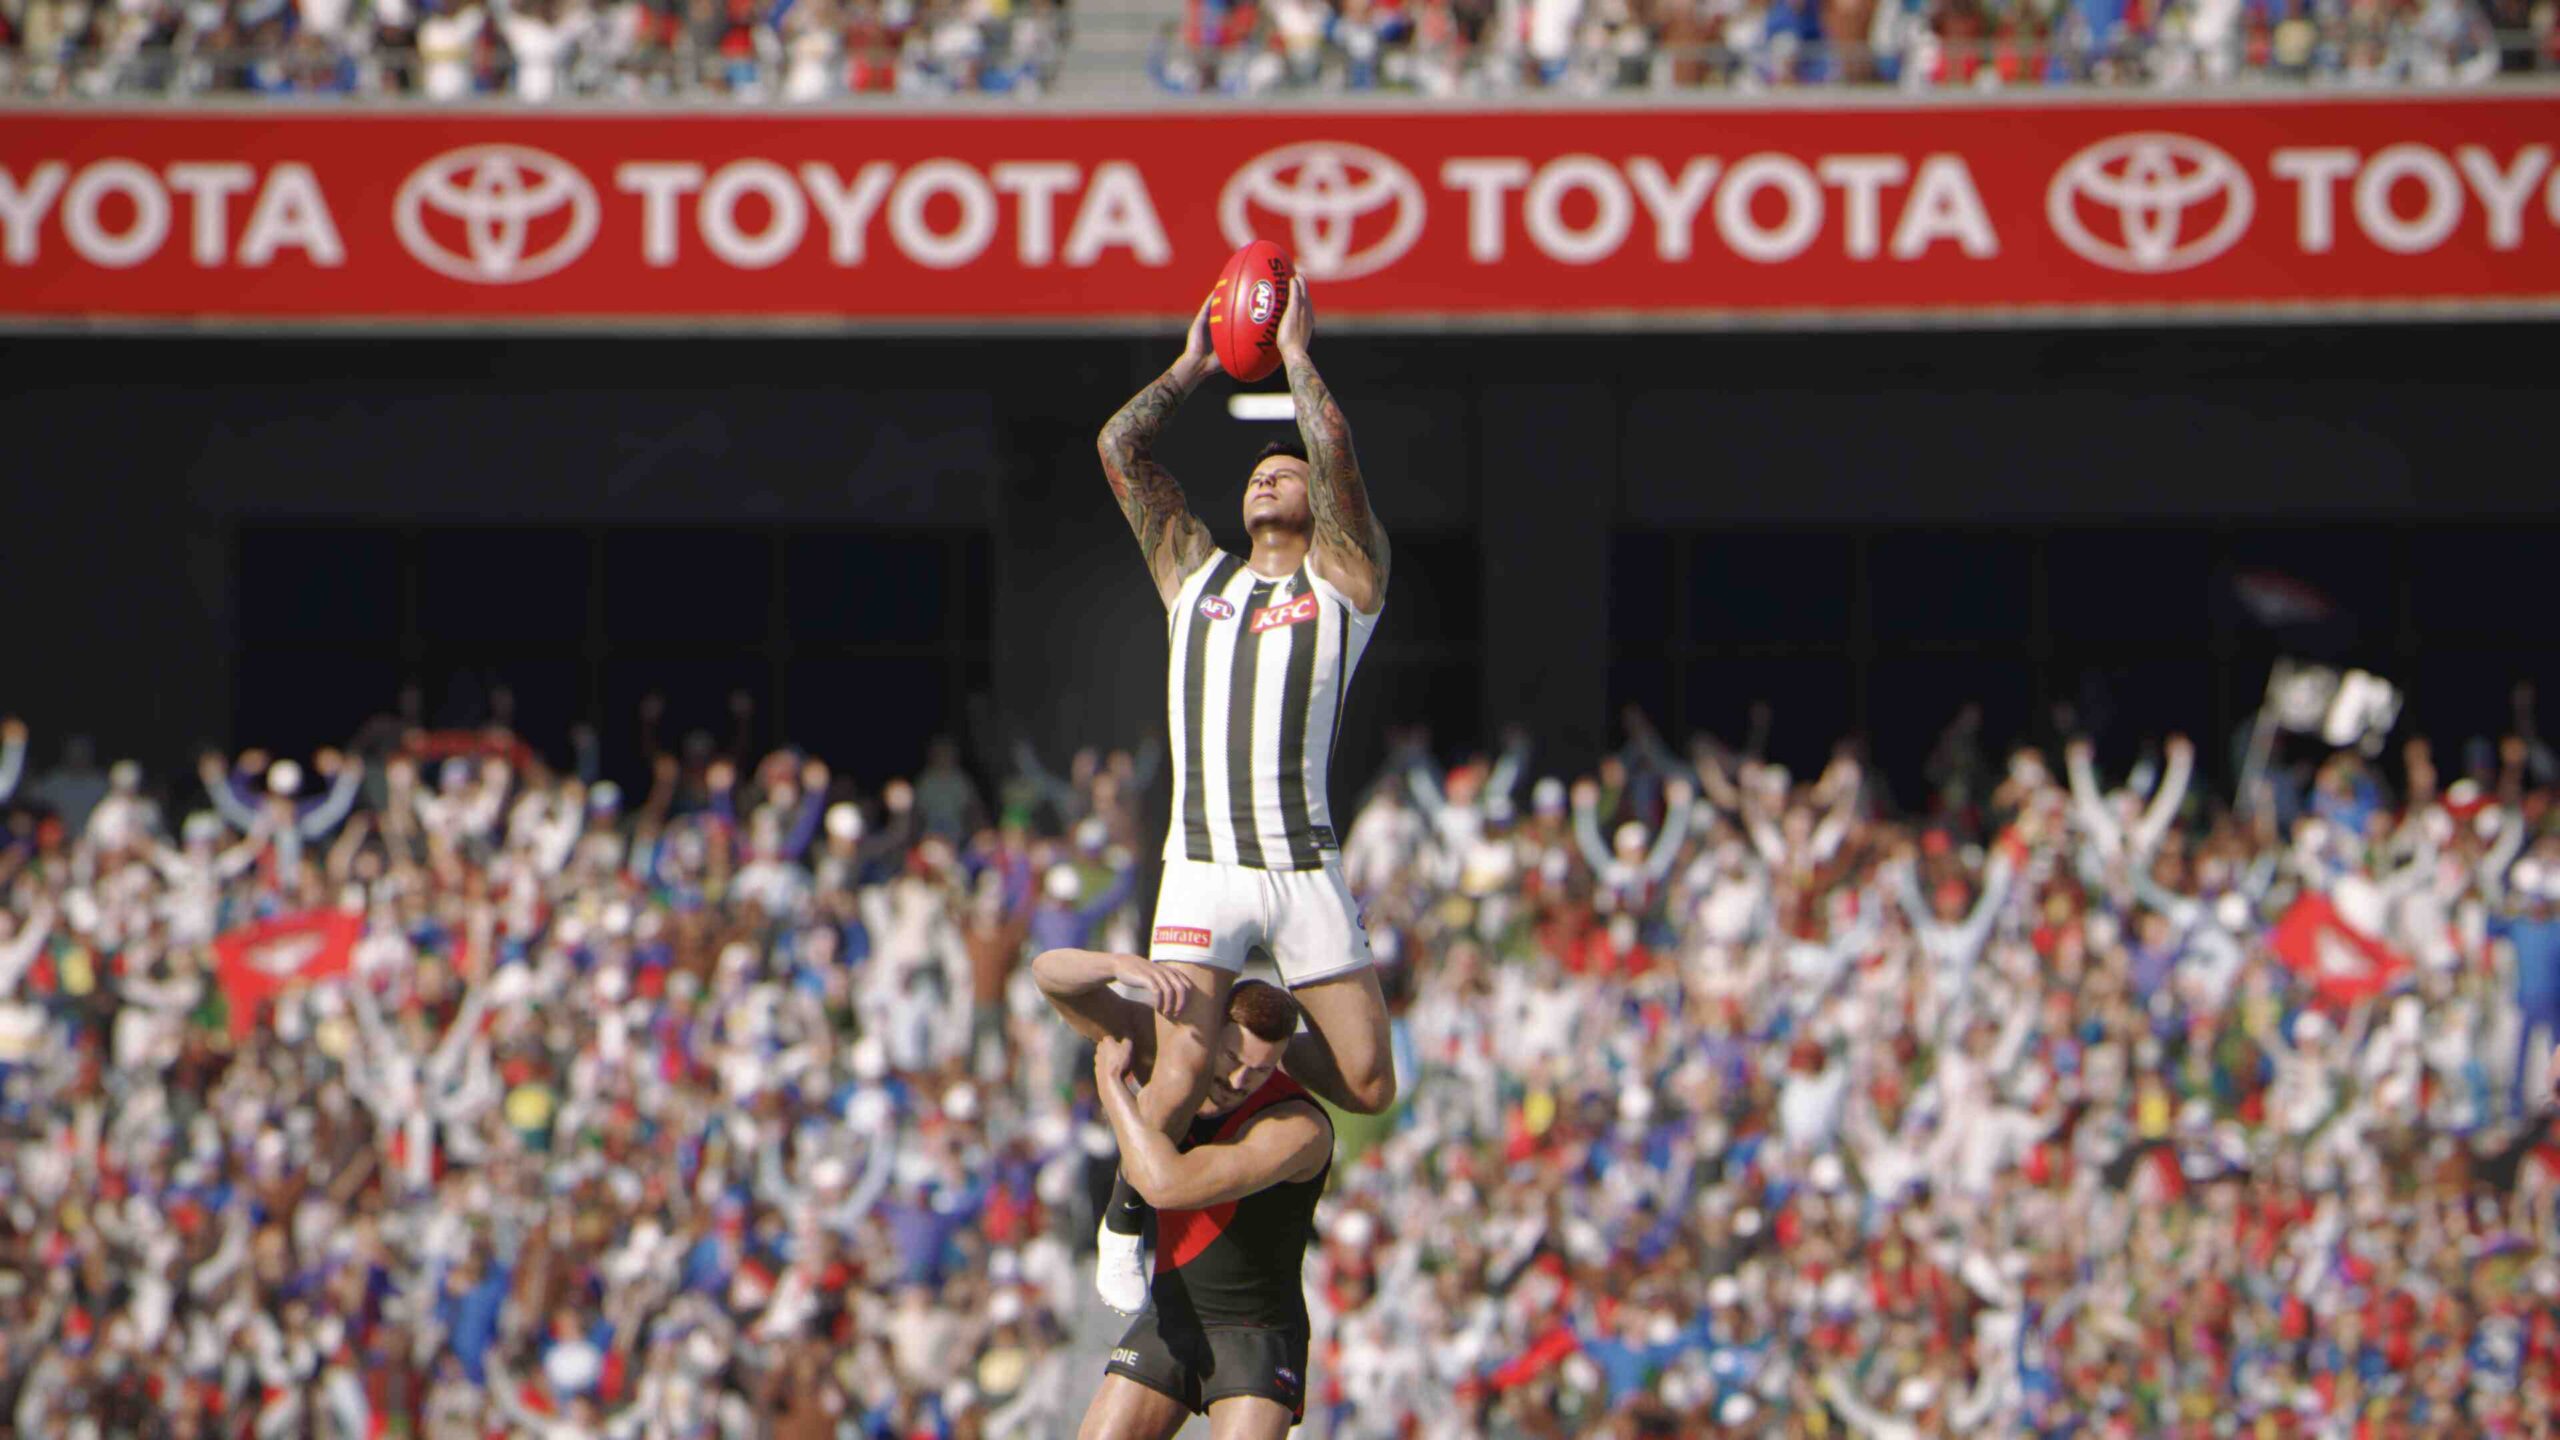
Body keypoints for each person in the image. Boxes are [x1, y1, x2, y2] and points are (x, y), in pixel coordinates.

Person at [1090, 273, 1397, 1310]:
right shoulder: (1195, 573)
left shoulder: (1343, 579)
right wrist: (1191, 365)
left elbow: (1335, 451)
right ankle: (1126, 1213)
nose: (1268, 479)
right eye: (1258, 473)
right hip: (1206, 863)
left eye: (1284, 471)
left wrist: (1296, 357)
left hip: (1302, 861)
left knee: (1368, 1081)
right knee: (1176, 1078)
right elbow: (1119, 450)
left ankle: (1250, 1034)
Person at [1032, 948, 1334, 1438]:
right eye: (1232, 1058)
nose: (1239, 1080)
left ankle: (1119, 1221)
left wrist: (1114, 1089)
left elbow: (1166, 1186)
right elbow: (1048, 975)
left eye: (1260, 1070)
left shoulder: (1296, 1127)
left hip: (1255, 1334)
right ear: (1211, 1036)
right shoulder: (1176, 1059)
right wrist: (1119, 966)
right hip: (1172, 1312)